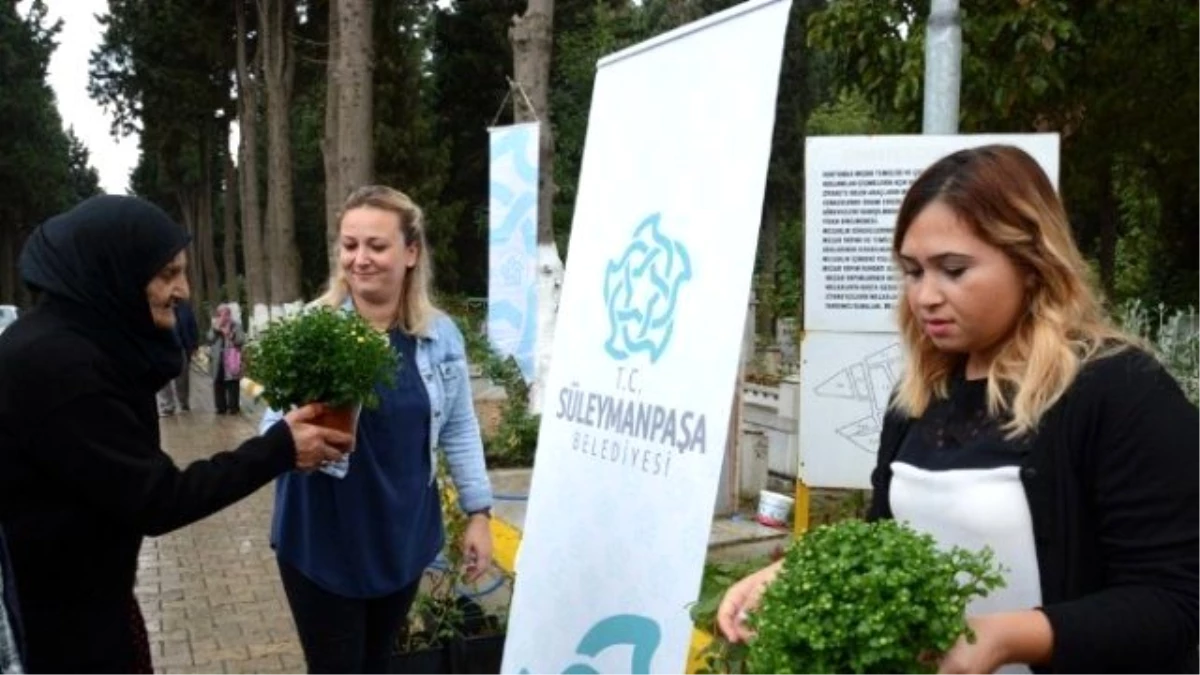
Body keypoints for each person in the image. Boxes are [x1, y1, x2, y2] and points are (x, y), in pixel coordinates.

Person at [717, 146, 1200, 674]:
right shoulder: (921, 396)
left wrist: (1006, 637)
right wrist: (796, 573)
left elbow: (1174, 600)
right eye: (913, 271)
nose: (925, 296)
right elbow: (883, 539)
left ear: (1032, 263)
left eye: (953, 269)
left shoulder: (1119, 390)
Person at [0, 195, 355, 674]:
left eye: (183, 272)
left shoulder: (80, 344)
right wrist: (278, 449)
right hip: (57, 631)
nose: (184, 290)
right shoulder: (57, 367)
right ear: (114, 273)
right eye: (167, 274)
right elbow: (157, 498)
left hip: (87, 605)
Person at [260, 185, 494, 675]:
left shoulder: (440, 336)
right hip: (324, 540)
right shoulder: (315, 327)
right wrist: (296, 437)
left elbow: (458, 428)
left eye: (376, 245)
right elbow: (271, 429)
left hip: (400, 539)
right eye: (349, 245)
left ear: (411, 252)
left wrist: (479, 513)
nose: (360, 259)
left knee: (378, 663)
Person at [156, 299, 198, 416]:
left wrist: (194, 344)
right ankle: (167, 406)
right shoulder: (157, 306)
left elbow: (192, 325)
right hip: (162, 347)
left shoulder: (184, 307)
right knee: (163, 379)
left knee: (182, 378)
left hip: (181, 347)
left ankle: (184, 403)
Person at [208, 303, 245, 415]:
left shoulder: (236, 325)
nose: (224, 317)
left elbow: (241, 340)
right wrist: (216, 329)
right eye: (221, 314)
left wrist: (230, 334)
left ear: (229, 314)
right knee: (218, 382)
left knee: (233, 383)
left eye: (226, 314)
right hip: (218, 359)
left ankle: (233, 407)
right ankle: (220, 407)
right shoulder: (215, 326)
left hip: (231, 358)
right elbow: (209, 339)